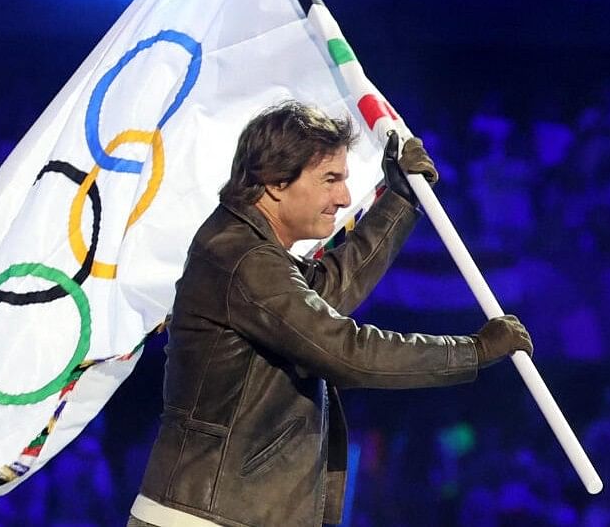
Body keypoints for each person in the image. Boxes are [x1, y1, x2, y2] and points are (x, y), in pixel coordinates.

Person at [129, 101, 533, 526]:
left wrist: (399, 200)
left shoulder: (245, 249)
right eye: (330, 180)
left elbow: (325, 293)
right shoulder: (241, 257)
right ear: (275, 183)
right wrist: (471, 350)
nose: (343, 198)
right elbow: (344, 351)